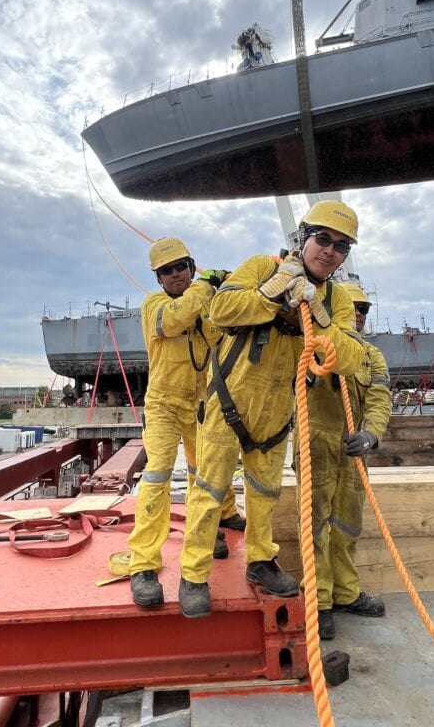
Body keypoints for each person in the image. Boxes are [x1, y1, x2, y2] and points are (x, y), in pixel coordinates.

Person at [177, 199, 365, 618]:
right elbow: (220, 309)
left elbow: (351, 358)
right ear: (303, 237)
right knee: (209, 493)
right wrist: (272, 290)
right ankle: (193, 573)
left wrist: (318, 315)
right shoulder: (262, 266)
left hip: (277, 413)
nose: (329, 250)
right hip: (230, 405)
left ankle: (261, 561)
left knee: (264, 493)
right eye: (323, 238)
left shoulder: (336, 300)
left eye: (340, 246)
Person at [128, 237, 245, 608]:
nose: (176, 274)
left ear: (192, 267)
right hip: (163, 404)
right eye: (168, 270)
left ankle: (208, 533)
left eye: (182, 266)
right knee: (158, 475)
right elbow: (175, 320)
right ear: (159, 279)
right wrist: (206, 285)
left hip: (200, 404)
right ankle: (143, 564)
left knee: (204, 475)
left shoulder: (206, 304)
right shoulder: (155, 306)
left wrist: (230, 287)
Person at [295, 280, 392, 640]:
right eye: (354, 308)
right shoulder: (313, 344)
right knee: (316, 526)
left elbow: (380, 399)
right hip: (316, 441)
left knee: (349, 524)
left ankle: (345, 593)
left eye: (364, 309)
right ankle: (319, 603)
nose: (360, 315)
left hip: (353, 448)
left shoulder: (372, 356)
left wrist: (371, 434)